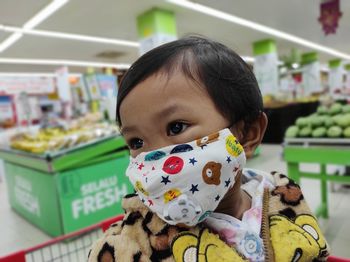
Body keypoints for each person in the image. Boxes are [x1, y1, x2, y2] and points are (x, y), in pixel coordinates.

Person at [88, 36, 329, 262]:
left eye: (176, 127)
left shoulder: (282, 195)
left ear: (247, 134)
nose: (155, 163)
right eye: (136, 143)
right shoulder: (131, 244)